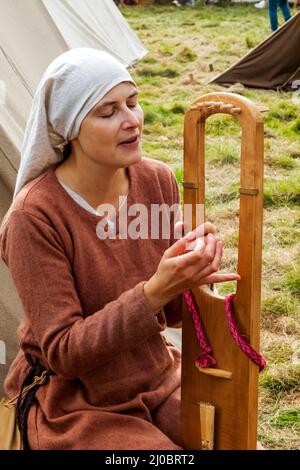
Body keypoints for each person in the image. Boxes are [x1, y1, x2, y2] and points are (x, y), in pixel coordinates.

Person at [0, 48, 240, 450]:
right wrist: (157, 290)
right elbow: (64, 353)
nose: (132, 120)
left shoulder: (157, 180)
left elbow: (174, 315)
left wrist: (193, 275)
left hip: (155, 376)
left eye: (132, 102)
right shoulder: (34, 217)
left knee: (238, 441)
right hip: (75, 401)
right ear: (70, 127)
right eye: (107, 112)